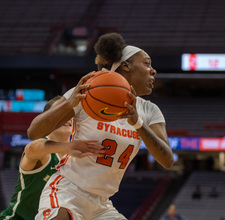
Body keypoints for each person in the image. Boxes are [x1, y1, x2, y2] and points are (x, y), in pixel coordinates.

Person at [28, 33, 174, 220]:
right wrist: (68, 104)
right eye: (147, 63)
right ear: (126, 66)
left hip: (102, 203)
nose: (153, 71)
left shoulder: (150, 111)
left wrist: (138, 123)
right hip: (67, 191)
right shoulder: (88, 91)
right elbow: (34, 132)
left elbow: (167, 160)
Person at [0, 96, 104, 220]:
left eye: (71, 113)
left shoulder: (77, 156)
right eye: (61, 112)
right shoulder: (43, 150)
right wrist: (67, 147)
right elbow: (31, 148)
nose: (68, 117)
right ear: (48, 119)